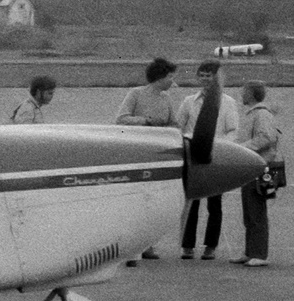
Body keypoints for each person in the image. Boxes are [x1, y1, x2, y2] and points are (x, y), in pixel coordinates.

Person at [176, 60, 239, 260]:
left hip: (215, 156)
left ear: (216, 77)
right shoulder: (189, 101)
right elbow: (179, 126)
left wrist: (219, 147)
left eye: (209, 75)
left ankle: (210, 246)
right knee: (191, 203)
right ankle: (187, 246)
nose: (205, 79)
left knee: (215, 204)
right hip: (193, 156)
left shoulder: (227, 102)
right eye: (202, 75)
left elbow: (233, 130)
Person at [117, 58, 178, 263]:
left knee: (154, 203)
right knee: (136, 202)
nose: (172, 81)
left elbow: (173, 123)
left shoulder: (167, 98)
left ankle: (148, 245)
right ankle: (132, 250)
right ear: (160, 77)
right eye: (170, 76)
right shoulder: (135, 94)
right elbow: (122, 119)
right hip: (137, 156)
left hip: (159, 157)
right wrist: (146, 122)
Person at [233, 81, 279, 267]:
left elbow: (266, 137)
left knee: (256, 210)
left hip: (259, 166)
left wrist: (241, 149)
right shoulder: (254, 113)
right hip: (250, 166)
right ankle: (250, 251)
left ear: (251, 94)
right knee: (249, 211)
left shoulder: (261, 114)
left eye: (244, 91)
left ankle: (260, 253)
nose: (241, 94)